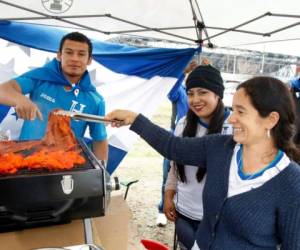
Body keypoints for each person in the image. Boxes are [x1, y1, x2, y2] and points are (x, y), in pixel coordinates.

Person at [106, 76, 300, 250]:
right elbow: (172, 146)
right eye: (233, 110)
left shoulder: (292, 182)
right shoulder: (220, 147)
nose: (231, 119)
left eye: (241, 112)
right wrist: (134, 119)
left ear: (271, 120)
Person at [0, 32, 108, 161]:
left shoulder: (95, 100)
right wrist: (20, 100)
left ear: (89, 60)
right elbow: (3, 90)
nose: (74, 58)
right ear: (59, 55)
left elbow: (99, 139)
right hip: (27, 160)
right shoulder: (40, 78)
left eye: (81, 54)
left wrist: (103, 175)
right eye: (69, 52)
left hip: (64, 165)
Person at [164, 64, 232, 249]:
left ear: (217, 94)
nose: (195, 99)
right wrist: (168, 195)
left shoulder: (233, 126)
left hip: (216, 220)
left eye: (202, 92)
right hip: (183, 213)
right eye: (190, 93)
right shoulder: (183, 124)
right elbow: (174, 166)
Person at [156, 60, 198, 227]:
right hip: (175, 143)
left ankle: (185, 212)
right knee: (168, 177)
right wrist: (183, 71)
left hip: (197, 145)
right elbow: (170, 89)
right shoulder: (180, 92)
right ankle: (161, 211)